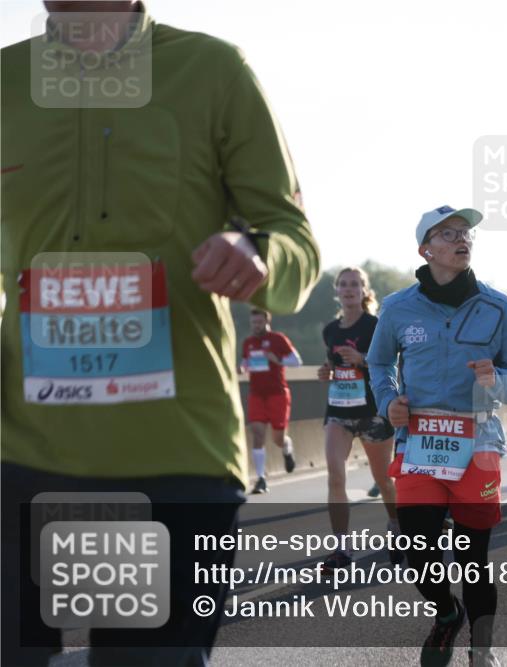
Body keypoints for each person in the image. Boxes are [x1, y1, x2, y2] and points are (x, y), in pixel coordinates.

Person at [1, 1, 321, 663]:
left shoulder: (213, 71)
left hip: (172, 459)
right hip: (17, 454)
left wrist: (257, 253)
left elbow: (296, 244)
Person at [368, 205, 507, 667]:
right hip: (419, 439)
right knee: (419, 554)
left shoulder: (499, 306)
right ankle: (446, 612)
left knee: (473, 559)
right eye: (448, 233)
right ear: (426, 249)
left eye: (466, 233)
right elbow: (378, 363)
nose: (462, 239)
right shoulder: (398, 308)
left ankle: (482, 652)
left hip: (478, 444)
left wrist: (495, 380)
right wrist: (388, 402)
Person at [317, 267, 400, 570]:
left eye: (355, 284)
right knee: (335, 476)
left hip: (372, 412)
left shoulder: (375, 325)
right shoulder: (330, 330)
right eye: (343, 284)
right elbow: (332, 363)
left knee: (384, 481)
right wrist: (326, 371)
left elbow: (390, 362)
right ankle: (341, 549)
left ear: (365, 291)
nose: (349, 289)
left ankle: (396, 525)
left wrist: (363, 360)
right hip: (339, 410)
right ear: (336, 290)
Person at [240, 309, 301, 494]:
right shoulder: (248, 343)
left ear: (267, 321)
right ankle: (260, 478)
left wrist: (278, 359)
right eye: (253, 322)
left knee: (278, 439)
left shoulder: (278, 339)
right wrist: (242, 367)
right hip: (256, 394)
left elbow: (296, 361)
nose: (256, 326)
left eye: (259, 322)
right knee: (257, 435)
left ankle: (287, 448)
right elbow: (245, 361)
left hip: (278, 394)